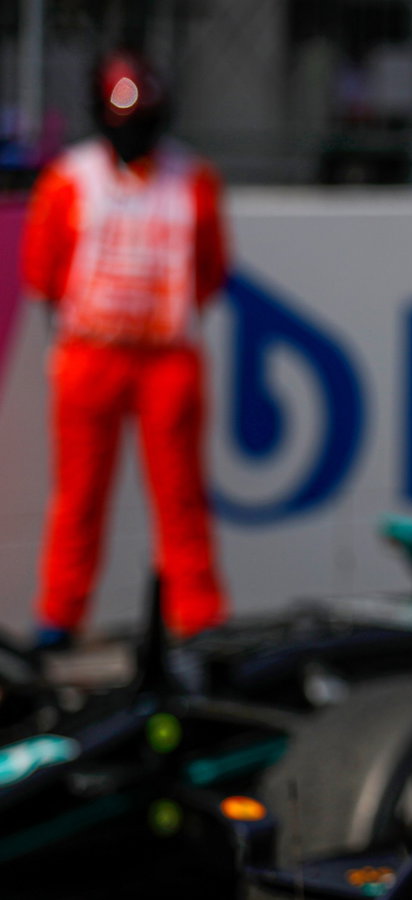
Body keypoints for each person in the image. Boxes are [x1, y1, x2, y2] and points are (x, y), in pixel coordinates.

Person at [21, 51, 229, 647]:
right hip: (91, 354)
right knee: (79, 496)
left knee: (181, 497)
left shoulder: (192, 180)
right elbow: (42, 271)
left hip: (166, 357)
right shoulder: (70, 179)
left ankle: (197, 618)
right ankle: (60, 616)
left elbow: (211, 271)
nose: (132, 132)